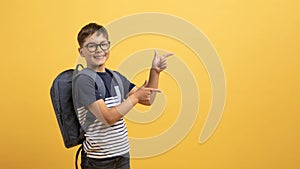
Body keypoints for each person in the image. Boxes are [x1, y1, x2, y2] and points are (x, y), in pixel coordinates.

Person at [72, 22, 173, 169]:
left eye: (103, 45)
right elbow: (108, 118)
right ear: (81, 52)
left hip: (122, 155)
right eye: (92, 46)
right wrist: (135, 97)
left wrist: (155, 72)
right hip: (99, 160)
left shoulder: (116, 77)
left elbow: (148, 99)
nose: (99, 50)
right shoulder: (84, 80)